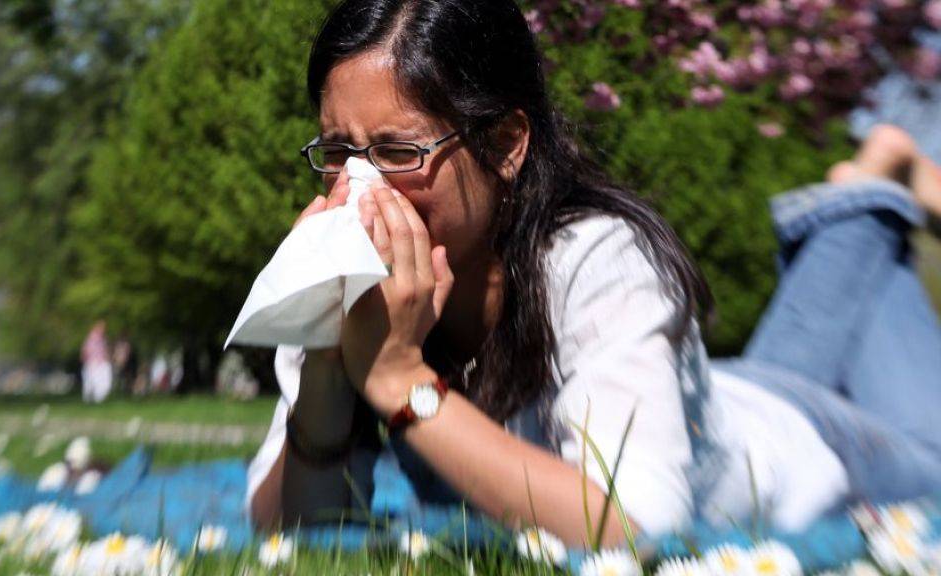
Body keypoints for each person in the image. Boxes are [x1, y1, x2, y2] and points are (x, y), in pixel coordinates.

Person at [245, 0, 941, 546]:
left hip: (809, 445)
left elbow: (638, 528)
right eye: (339, 151)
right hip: (708, 399)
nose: (362, 189)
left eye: (397, 150)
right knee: (803, 349)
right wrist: (330, 370)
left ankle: (872, 193)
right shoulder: (343, 278)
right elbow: (296, 538)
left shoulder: (597, 257)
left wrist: (400, 381)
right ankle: (869, 192)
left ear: (506, 144)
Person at [80, 320, 112, 403]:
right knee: (92, 382)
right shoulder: (91, 338)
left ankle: (99, 399)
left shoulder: (103, 339)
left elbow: (105, 351)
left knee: (103, 382)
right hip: (93, 363)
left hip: (101, 363)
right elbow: (85, 351)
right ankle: (91, 399)